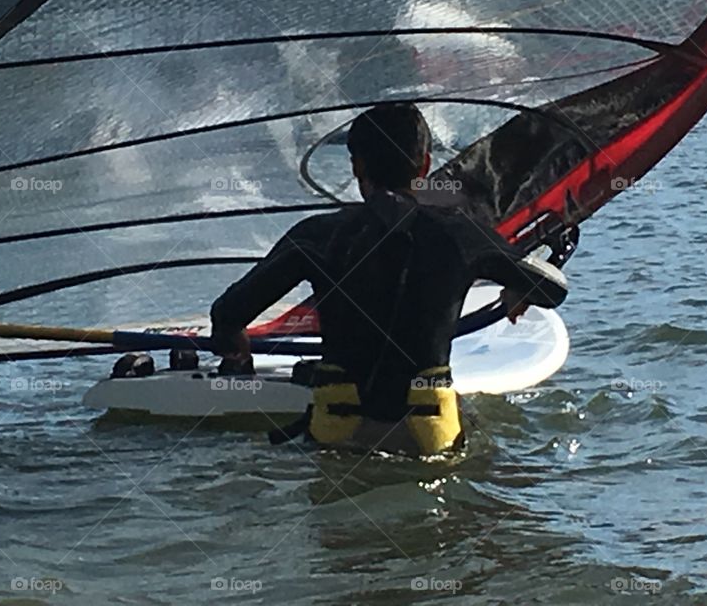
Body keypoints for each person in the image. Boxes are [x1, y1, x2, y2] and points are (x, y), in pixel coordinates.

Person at [210, 102, 567, 456]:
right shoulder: (460, 235)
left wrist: (234, 342)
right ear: (424, 166)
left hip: (338, 429)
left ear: (357, 166)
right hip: (427, 433)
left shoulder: (317, 236)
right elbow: (550, 289)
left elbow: (227, 313)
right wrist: (518, 287)